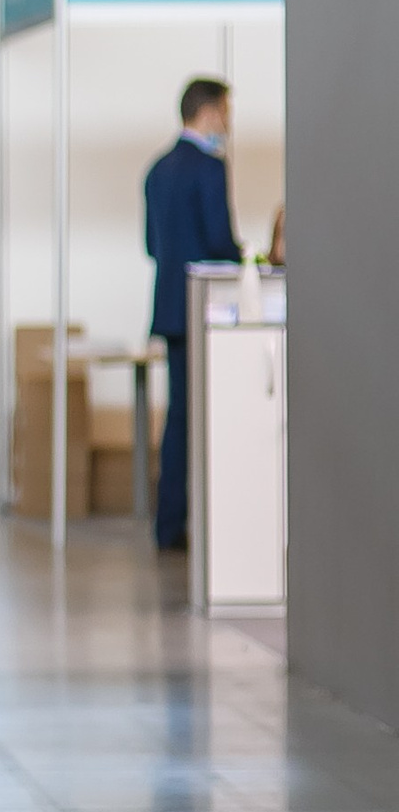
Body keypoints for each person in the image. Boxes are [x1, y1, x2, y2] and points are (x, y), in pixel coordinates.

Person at [145, 78, 239, 551]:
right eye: (226, 111)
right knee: (206, 417)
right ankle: (205, 526)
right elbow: (221, 243)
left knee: (178, 416)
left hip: (170, 309)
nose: (228, 121)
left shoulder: (158, 169)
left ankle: (169, 523)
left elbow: (150, 245)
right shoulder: (209, 168)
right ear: (208, 112)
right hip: (207, 311)